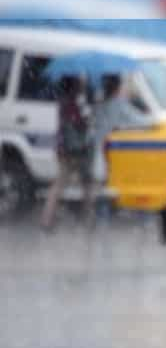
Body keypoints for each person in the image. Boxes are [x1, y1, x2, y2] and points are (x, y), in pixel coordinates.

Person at [90, 75, 152, 222]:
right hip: (117, 152)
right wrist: (156, 120)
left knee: (104, 186)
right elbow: (139, 120)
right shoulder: (119, 104)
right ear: (118, 87)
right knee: (131, 184)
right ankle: (141, 216)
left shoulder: (99, 104)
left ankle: (101, 218)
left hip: (100, 151)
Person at [40, 75, 95, 231]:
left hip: (63, 149)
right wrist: (88, 119)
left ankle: (46, 219)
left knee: (59, 184)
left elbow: (63, 127)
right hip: (77, 151)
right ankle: (88, 220)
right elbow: (84, 124)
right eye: (81, 82)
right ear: (76, 85)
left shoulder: (63, 102)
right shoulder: (78, 103)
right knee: (87, 184)